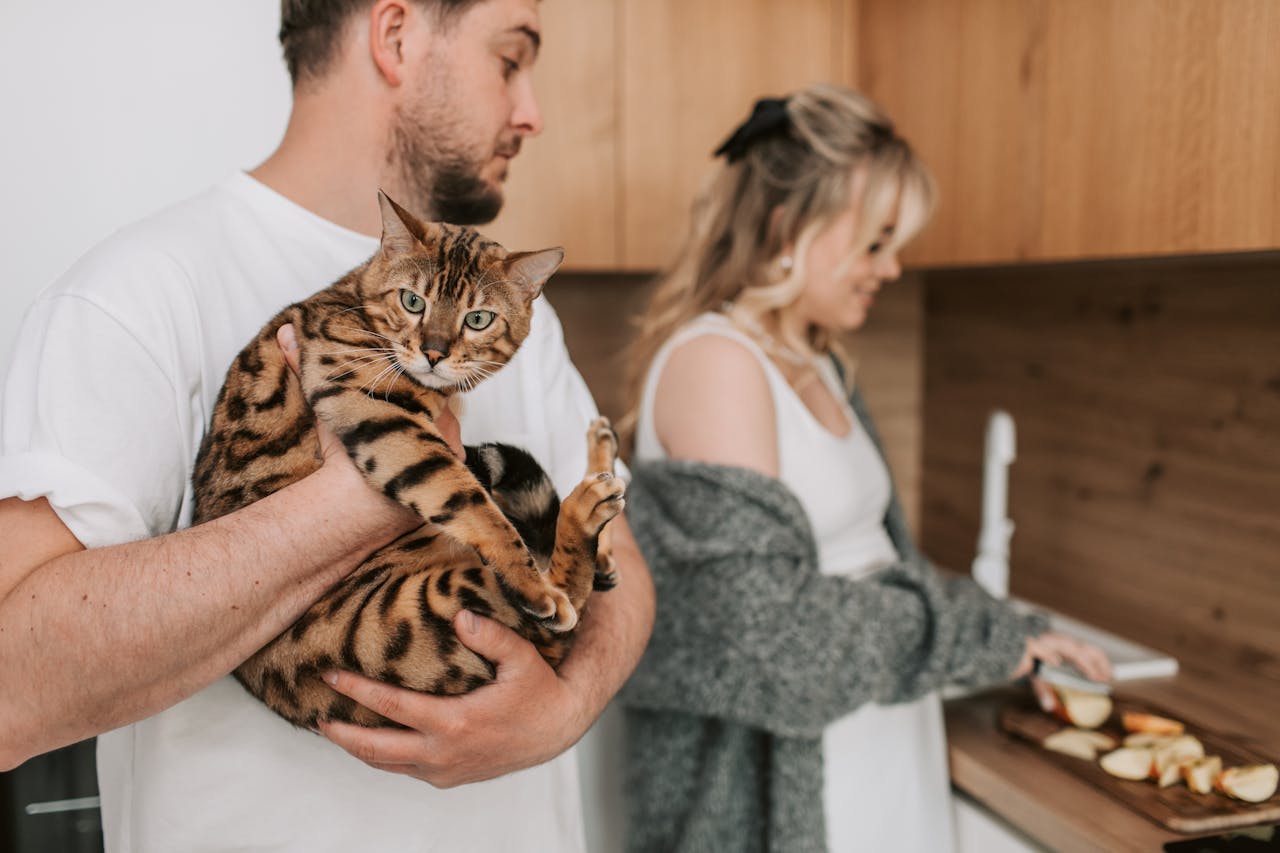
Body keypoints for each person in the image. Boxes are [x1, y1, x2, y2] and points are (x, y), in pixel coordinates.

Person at [0, 1, 654, 851]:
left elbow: (621, 560)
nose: (532, 110)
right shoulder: (134, 296)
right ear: (394, 36)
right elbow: (11, 686)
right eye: (510, 58)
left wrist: (569, 705)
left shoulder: (515, 314)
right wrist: (353, 502)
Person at [616, 83, 1109, 853]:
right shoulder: (717, 363)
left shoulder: (819, 363)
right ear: (789, 226)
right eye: (874, 241)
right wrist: (973, 637)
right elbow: (770, 633)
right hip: (785, 784)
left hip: (878, 742)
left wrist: (1007, 631)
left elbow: (879, 565)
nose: (893, 267)